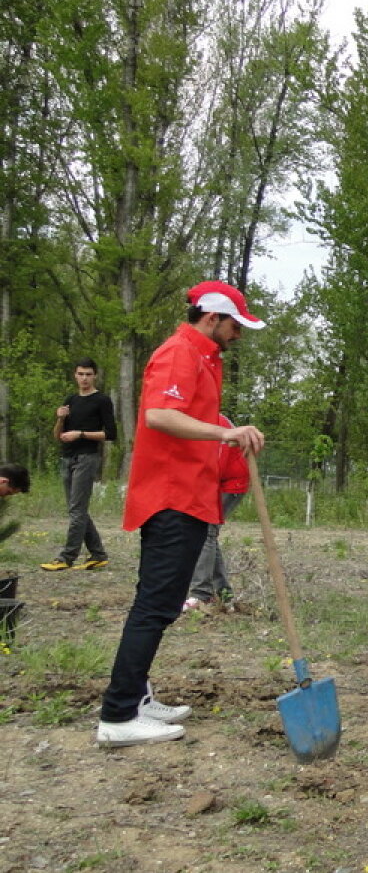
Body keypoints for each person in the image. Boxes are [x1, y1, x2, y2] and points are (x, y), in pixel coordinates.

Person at [96, 282, 266, 748]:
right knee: (154, 606)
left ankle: (136, 697)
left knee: (164, 604)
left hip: (191, 495)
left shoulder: (203, 359)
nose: (239, 334)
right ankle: (117, 715)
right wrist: (226, 434)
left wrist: (225, 433)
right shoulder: (179, 354)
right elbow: (159, 416)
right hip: (170, 496)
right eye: (235, 325)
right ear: (211, 318)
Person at [39, 359, 116, 571]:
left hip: (87, 457)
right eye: (81, 374)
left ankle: (66, 557)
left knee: (77, 510)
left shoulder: (102, 400)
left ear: (95, 376)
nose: (84, 378)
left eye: (88, 374)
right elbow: (58, 435)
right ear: (75, 375)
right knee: (76, 509)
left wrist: (81, 434)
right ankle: (98, 554)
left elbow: (110, 434)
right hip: (67, 458)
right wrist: (60, 419)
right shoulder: (71, 399)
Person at [183, 413, 248, 613]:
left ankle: (201, 595)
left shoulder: (216, 422)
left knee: (205, 531)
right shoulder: (191, 419)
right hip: (213, 485)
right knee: (207, 534)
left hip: (230, 485)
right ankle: (224, 595)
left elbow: (214, 465)